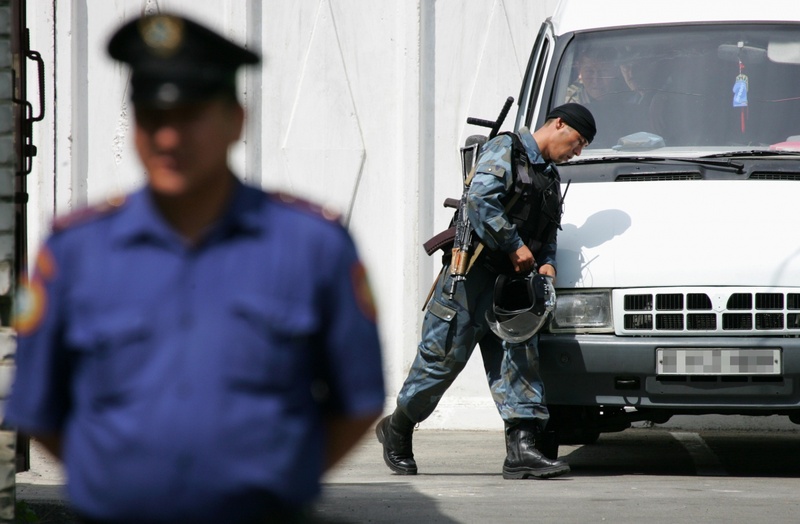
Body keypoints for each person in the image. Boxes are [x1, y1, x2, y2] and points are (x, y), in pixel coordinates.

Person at [6, 12, 385, 524]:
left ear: (236, 120)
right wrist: (113, 481)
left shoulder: (312, 247)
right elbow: (37, 404)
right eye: (152, 118)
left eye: (189, 116)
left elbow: (359, 399)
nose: (168, 138)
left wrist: (278, 484)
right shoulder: (75, 253)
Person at [377, 103, 596, 480]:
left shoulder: (549, 177)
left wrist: (548, 263)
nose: (577, 152)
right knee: (440, 363)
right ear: (558, 124)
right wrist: (513, 245)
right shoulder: (506, 149)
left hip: (512, 289)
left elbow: (547, 232)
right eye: (577, 142)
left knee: (520, 362)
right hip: (470, 280)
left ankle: (521, 451)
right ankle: (397, 428)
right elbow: (480, 200)